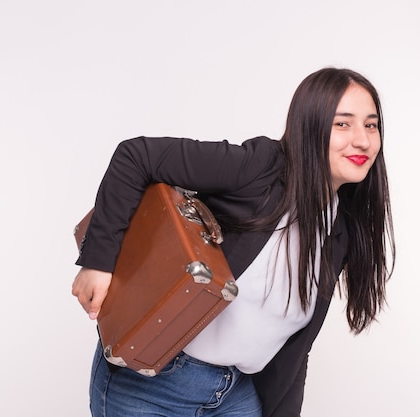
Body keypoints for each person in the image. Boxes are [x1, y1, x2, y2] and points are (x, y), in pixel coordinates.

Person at [71, 67, 395, 417]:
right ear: (310, 125)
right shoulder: (260, 167)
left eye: (371, 124)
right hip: (153, 385)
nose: (362, 139)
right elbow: (136, 157)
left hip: (234, 395)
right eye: (343, 123)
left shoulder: (341, 231)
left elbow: (294, 353)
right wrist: (99, 262)